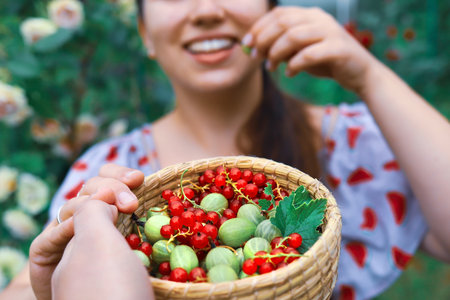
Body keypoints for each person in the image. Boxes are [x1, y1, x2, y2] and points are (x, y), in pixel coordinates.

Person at [2, 0, 450, 299]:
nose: (206, 10)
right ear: (144, 33)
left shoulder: (358, 145)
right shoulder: (108, 175)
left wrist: (368, 76)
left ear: (274, 11)